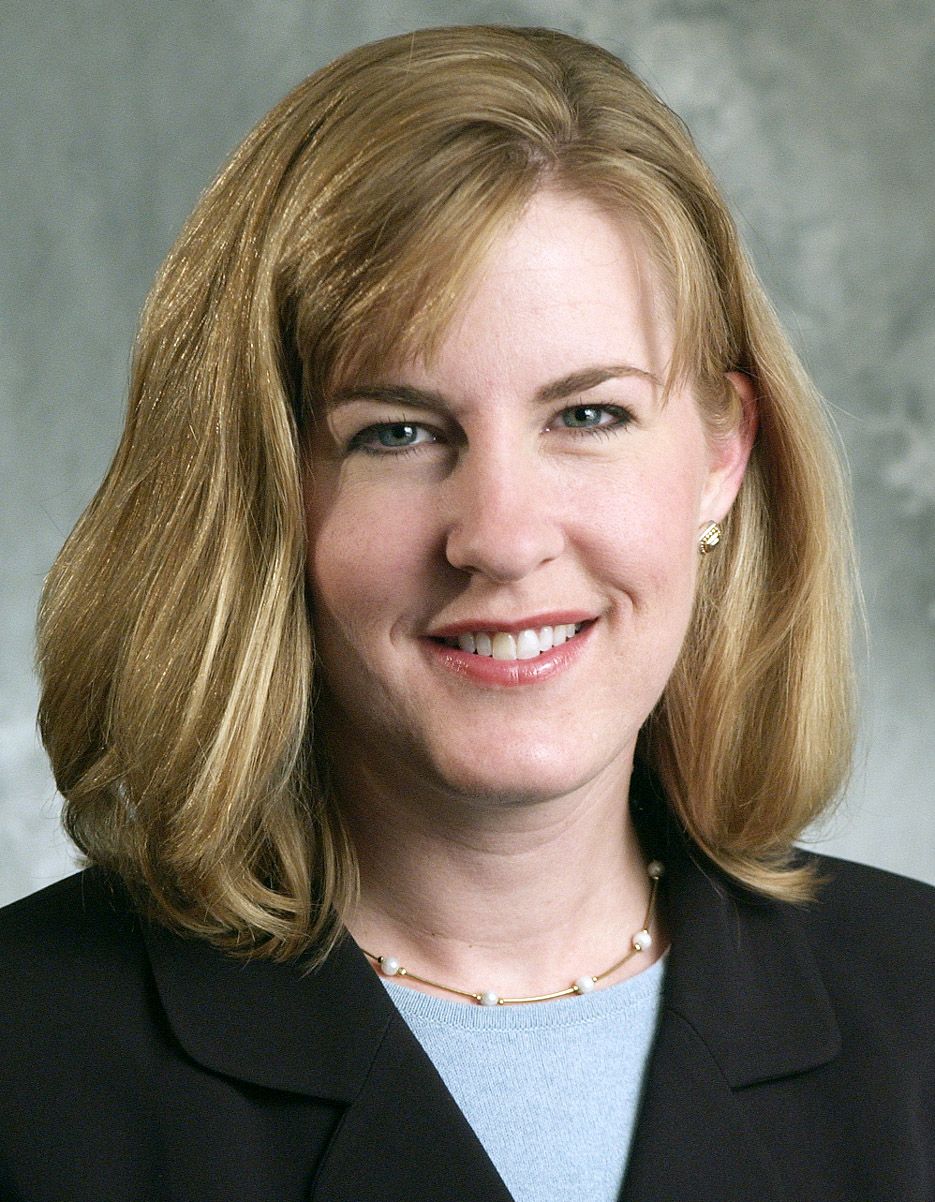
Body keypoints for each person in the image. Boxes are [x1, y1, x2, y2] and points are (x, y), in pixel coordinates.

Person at [0, 24, 933, 1202]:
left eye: (586, 415)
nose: (498, 533)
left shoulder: (916, 1006)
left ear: (718, 457)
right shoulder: (29, 1062)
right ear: (255, 496)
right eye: (395, 432)